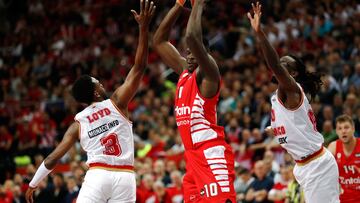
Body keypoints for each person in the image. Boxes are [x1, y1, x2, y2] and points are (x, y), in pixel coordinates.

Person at [25, 1, 156, 202]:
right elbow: (139, 67)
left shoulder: (78, 122)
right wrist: (144, 29)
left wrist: (33, 184)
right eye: (98, 83)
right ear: (95, 93)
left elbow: (53, 158)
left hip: (98, 175)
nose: (102, 83)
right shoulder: (117, 102)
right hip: (125, 177)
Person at [247, 2, 339, 203]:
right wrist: (278, 128)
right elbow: (293, 123)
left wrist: (260, 33)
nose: (280, 66)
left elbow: (273, 64)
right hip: (303, 166)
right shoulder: (279, 96)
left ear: (294, 74)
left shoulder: (292, 89)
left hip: (317, 165)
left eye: (284, 65)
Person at [153, 0, 236, 202]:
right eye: (187, 52)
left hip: (211, 152)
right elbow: (159, 42)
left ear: (204, 54)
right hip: (192, 157)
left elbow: (191, 36)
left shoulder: (209, 72)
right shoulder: (184, 71)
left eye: (193, 52)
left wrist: (198, 4)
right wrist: (179, 5)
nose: (189, 56)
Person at [328, 115, 360, 203]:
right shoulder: (333, 147)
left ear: (353, 129)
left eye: (346, 127)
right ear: (336, 132)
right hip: (341, 199)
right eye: (340, 128)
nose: (343, 131)